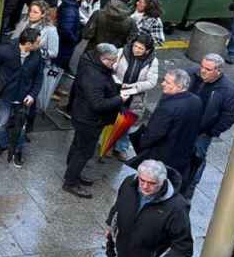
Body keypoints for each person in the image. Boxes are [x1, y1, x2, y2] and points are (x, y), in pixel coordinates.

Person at [63, 43, 128, 199]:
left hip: (82, 115)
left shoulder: (90, 63)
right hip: (90, 120)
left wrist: (116, 87)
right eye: (111, 61)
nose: (114, 64)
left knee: (78, 145)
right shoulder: (94, 76)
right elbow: (98, 103)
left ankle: (72, 172)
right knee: (84, 151)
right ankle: (70, 182)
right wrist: (120, 98)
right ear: (102, 58)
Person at [106, 160, 193, 257]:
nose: (145, 186)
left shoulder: (177, 207)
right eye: (142, 180)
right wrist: (110, 225)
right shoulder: (128, 184)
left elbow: (184, 245)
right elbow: (118, 206)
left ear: (163, 181)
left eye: (152, 183)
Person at [0, 28, 44, 167]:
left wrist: (32, 94)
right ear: (28, 44)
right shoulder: (5, 51)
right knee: (2, 122)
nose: (39, 45)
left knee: (21, 126)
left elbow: (39, 76)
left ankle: (18, 150)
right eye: (37, 42)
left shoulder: (37, 54)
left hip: (24, 97)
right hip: (6, 95)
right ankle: (2, 144)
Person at [183, 53, 234, 199]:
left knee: (196, 160)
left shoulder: (228, 90)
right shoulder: (191, 74)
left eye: (208, 69)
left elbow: (229, 117)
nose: (202, 71)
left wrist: (210, 131)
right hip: (182, 124)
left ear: (218, 71)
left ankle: (188, 191)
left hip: (202, 133)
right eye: (202, 66)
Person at [134, 70, 203, 181]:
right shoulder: (196, 101)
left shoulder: (168, 107)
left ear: (179, 86)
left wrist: (142, 144)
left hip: (162, 156)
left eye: (167, 82)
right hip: (182, 156)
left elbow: (154, 133)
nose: (162, 84)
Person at [11, 1, 59, 135]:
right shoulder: (24, 22)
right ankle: (15, 118)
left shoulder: (50, 30)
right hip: (20, 63)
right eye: (31, 10)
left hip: (38, 66)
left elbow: (54, 52)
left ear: (43, 14)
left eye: (35, 12)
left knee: (31, 95)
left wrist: (37, 51)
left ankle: (28, 124)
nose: (31, 14)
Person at [110, 33, 160, 162]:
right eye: (135, 46)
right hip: (116, 91)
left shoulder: (152, 61)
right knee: (111, 119)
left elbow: (151, 82)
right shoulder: (122, 52)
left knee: (127, 122)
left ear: (147, 50)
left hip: (135, 98)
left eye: (140, 48)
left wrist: (132, 87)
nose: (136, 50)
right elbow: (111, 69)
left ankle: (121, 148)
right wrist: (118, 83)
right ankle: (107, 144)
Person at [56, 0, 109, 70]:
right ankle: (60, 66)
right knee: (65, 45)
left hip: (82, 20)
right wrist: (87, 20)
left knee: (71, 47)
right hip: (76, 19)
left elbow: (96, 2)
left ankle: (64, 65)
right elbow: (76, 6)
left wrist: (93, 14)